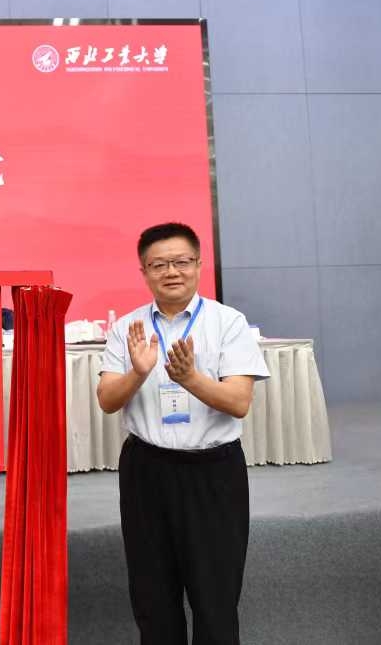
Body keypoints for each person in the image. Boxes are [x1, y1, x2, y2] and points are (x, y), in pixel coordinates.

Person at [97, 223, 269, 645]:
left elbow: (239, 402)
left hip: (213, 472)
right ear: (144, 271)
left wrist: (190, 379)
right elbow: (107, 400)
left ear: (198, 264)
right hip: (146, 471)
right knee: (152, 594)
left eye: (181, 262)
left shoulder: (228, 323)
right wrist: (138, 373)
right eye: (159, 265)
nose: (171, 272)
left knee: (215, 595)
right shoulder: (127, 328)